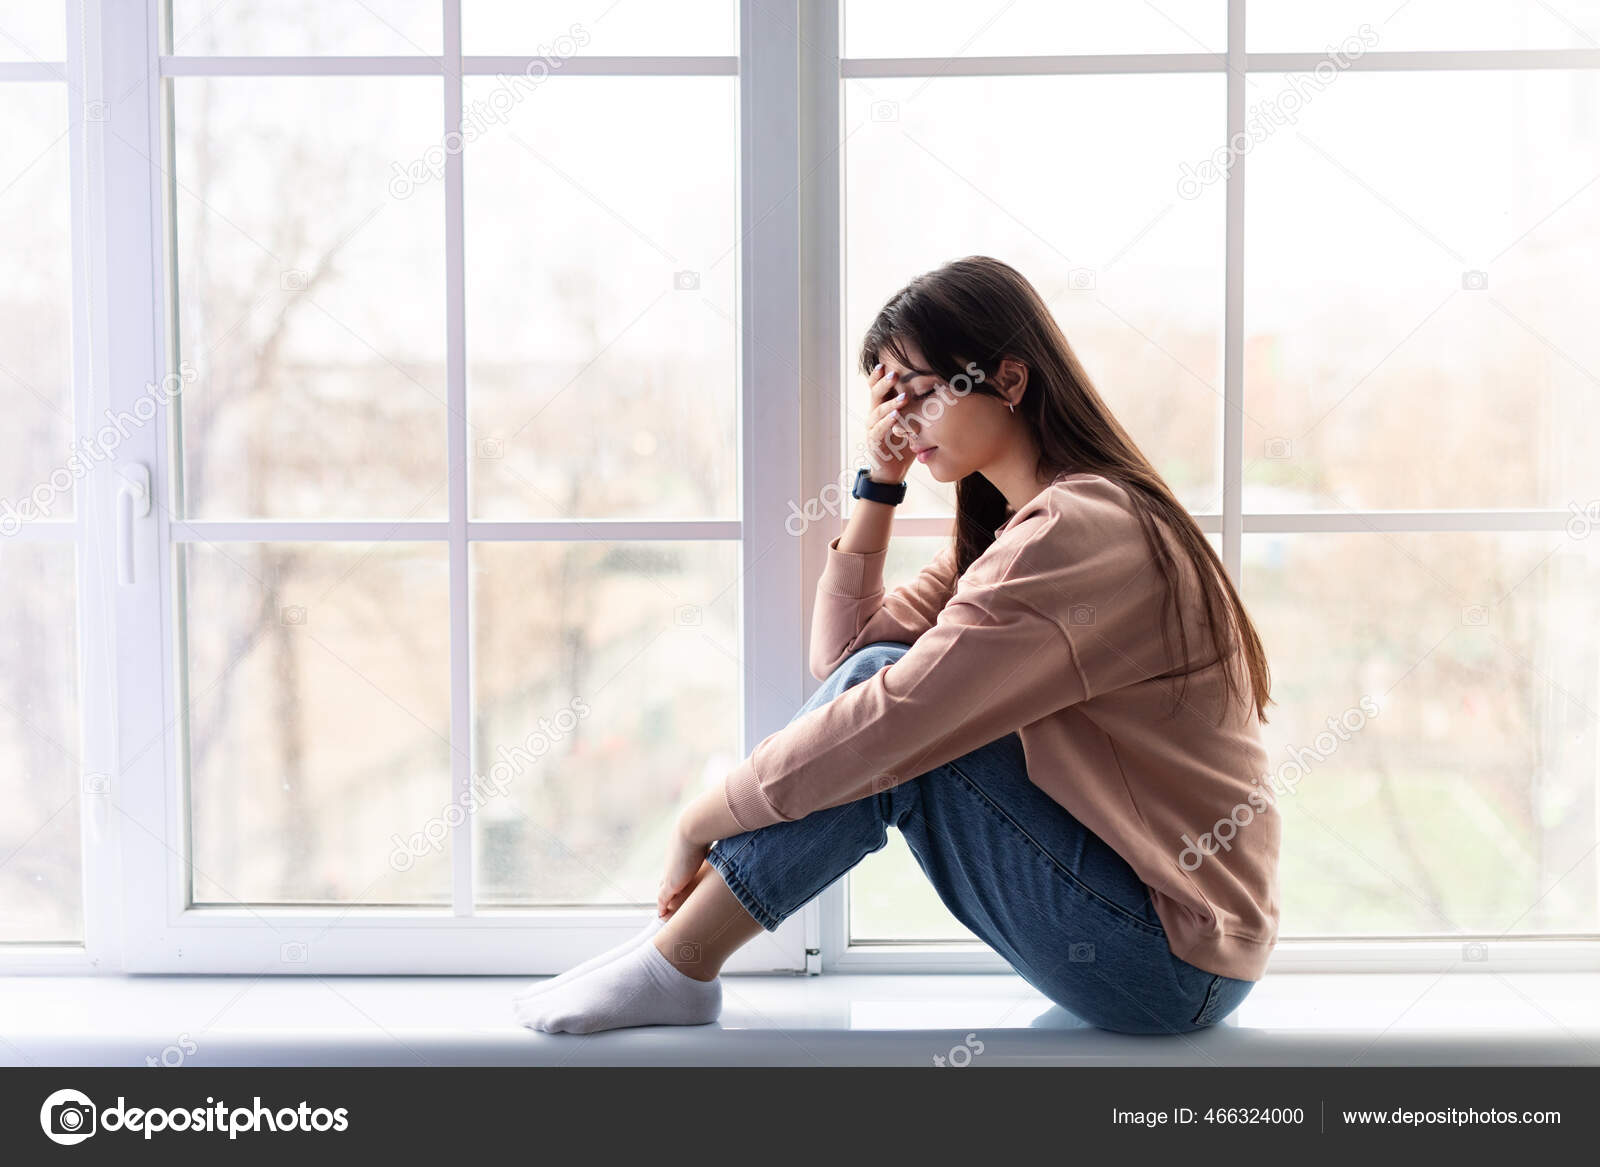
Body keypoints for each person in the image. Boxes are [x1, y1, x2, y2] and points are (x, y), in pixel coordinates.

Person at [513, 255, 1279, 1037]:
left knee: (898, 716)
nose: (899, 423)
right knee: (881, 685)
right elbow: (841, 651)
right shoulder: (1023, 528)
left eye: (917, 394)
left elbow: (890, 711)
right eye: (885, 400)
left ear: (1009, 381)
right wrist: (880, 480)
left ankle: (676, 963)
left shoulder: (1078, 530)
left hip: (1164, 960)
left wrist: (698, 819)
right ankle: (675, 955)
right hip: (1164, 945)